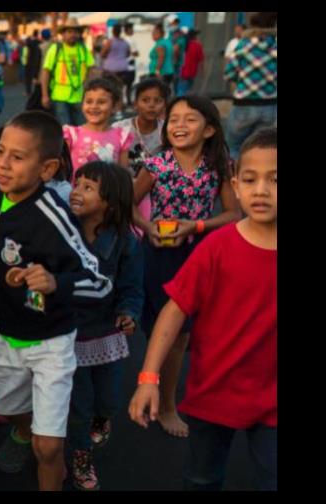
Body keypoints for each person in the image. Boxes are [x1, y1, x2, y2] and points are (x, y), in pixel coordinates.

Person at [0, 111, 112, 491]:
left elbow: (100, 283)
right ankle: (23, 431)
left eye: (17, 158)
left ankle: (47, 453)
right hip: (2, 335)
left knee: (48, 447)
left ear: (48, 168)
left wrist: (57, 282)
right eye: (0, 152)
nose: (2, 164)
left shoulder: (53, 217)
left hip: (50, 342)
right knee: (10, 411)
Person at [130, 128, 277, 491]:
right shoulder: (216, 247)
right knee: (201, 477)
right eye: (250, 179)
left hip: (273, 396)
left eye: (275, 179)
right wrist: (149, 377)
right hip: (213, 390)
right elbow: (174, 310)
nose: (261, 189)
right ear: (236, 186)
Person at [131, 96, 242, 438]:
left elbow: (233, 214)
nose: (178, 125)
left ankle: (168, 401)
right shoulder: (156, 164)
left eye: (189, 120)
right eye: (174, 119)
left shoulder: (219, 165)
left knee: (186, 334)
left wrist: (194, 227)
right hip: (159, 253)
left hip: (201, 252)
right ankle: (160, 393)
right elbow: (129, 205)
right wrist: (149, 228)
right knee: (166, 330)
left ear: (209, 129)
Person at [66, 161, 143, 491]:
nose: (76, 191)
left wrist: (128, 312)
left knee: (108, 399)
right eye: (76, 183)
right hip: (70, 334)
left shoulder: (126, 241)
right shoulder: (62, 230)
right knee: (78, 405)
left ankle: (103, 417)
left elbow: (132, 287)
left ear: (109, 201)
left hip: (106, 333)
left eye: (87, 187)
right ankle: (81, 458)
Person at [113, 78, 169, 229]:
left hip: (157, 194)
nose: (151, 105)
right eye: (145, 100)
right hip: (125, 190)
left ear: (164, 105)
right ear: (135, 104)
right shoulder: (119, 129)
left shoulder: (168, 132)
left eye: (158, 101)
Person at [224, 12, 277, 159]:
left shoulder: (243, 46)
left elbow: (229, 74)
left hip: (244, 103)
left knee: (233, 146)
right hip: (270, 105)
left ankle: (234, 178)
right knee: (262, 148)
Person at [63, 77, 133, 174]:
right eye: (89, 101)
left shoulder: (121, 136)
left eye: (101, 102)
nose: (94, 106)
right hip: (77, 189)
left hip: (109, 189)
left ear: (114, 107)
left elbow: (123, 174)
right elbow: (63, 170)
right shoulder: (72, 134)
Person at [41, 18, 95, 126]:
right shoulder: (56, 49)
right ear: (63, 34)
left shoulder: (83, 49)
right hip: (59, 96)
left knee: (82, 127)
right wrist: (45, 95)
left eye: (75, 32)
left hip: (79, 95)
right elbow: (46, 72)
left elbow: (91, 67)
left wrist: (86, 85)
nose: (73, 35)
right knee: (66, 129)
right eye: (69, 31)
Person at [101, 26, 132, 106]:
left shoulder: (110, 42)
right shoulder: (125, 42)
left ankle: (111, 106)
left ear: (113, 32)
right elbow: (128, 54)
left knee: (109, 89)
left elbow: (103, 54)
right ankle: (120, 106)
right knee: (120, 88)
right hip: (123, 68)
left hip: (110, 69)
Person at [176, 30, 204, 97]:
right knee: (187, 90)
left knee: (181, 90)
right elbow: (201, 60)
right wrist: (202, 72)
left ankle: (179, 103)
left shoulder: (184, 43)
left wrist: (177, 59)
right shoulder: (197, 45)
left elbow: (175, 49)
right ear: (194, 36)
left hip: (183, 70)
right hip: (192, 71)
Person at [149, 24, 175, 89]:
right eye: (152, 33)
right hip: (169, 71)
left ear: (160, 34)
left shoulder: (160, 44)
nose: (152, 35)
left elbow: (161, 58)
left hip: (161, 73)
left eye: (154, 33)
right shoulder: (167, 42)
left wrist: (157, 71)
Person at [122, 24, 139, 107]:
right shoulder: (131, 40)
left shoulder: (122, 39)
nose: (133, 31)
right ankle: (128, 101)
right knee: (129, 83)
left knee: (123, 84)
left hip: (122, 64)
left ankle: (124, 101)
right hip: (130, 62)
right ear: (128, 30)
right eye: (132, 29)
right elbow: (136, 53)